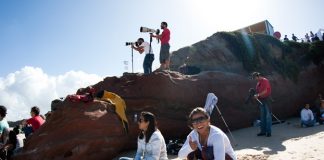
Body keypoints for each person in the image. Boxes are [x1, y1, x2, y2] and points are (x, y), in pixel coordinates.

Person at [252, 72, 272, 137]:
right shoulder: (258, 83)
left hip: (267, 100)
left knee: (268, 116)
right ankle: (263, 131)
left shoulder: (265, 81)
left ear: (258, 76)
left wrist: (258, 95)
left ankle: (268, 132)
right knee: (262, 116)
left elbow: (265, 91)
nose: (255, 79)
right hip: (261, 100)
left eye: (255, 78)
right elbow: (258, 92)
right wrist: (256, 95)